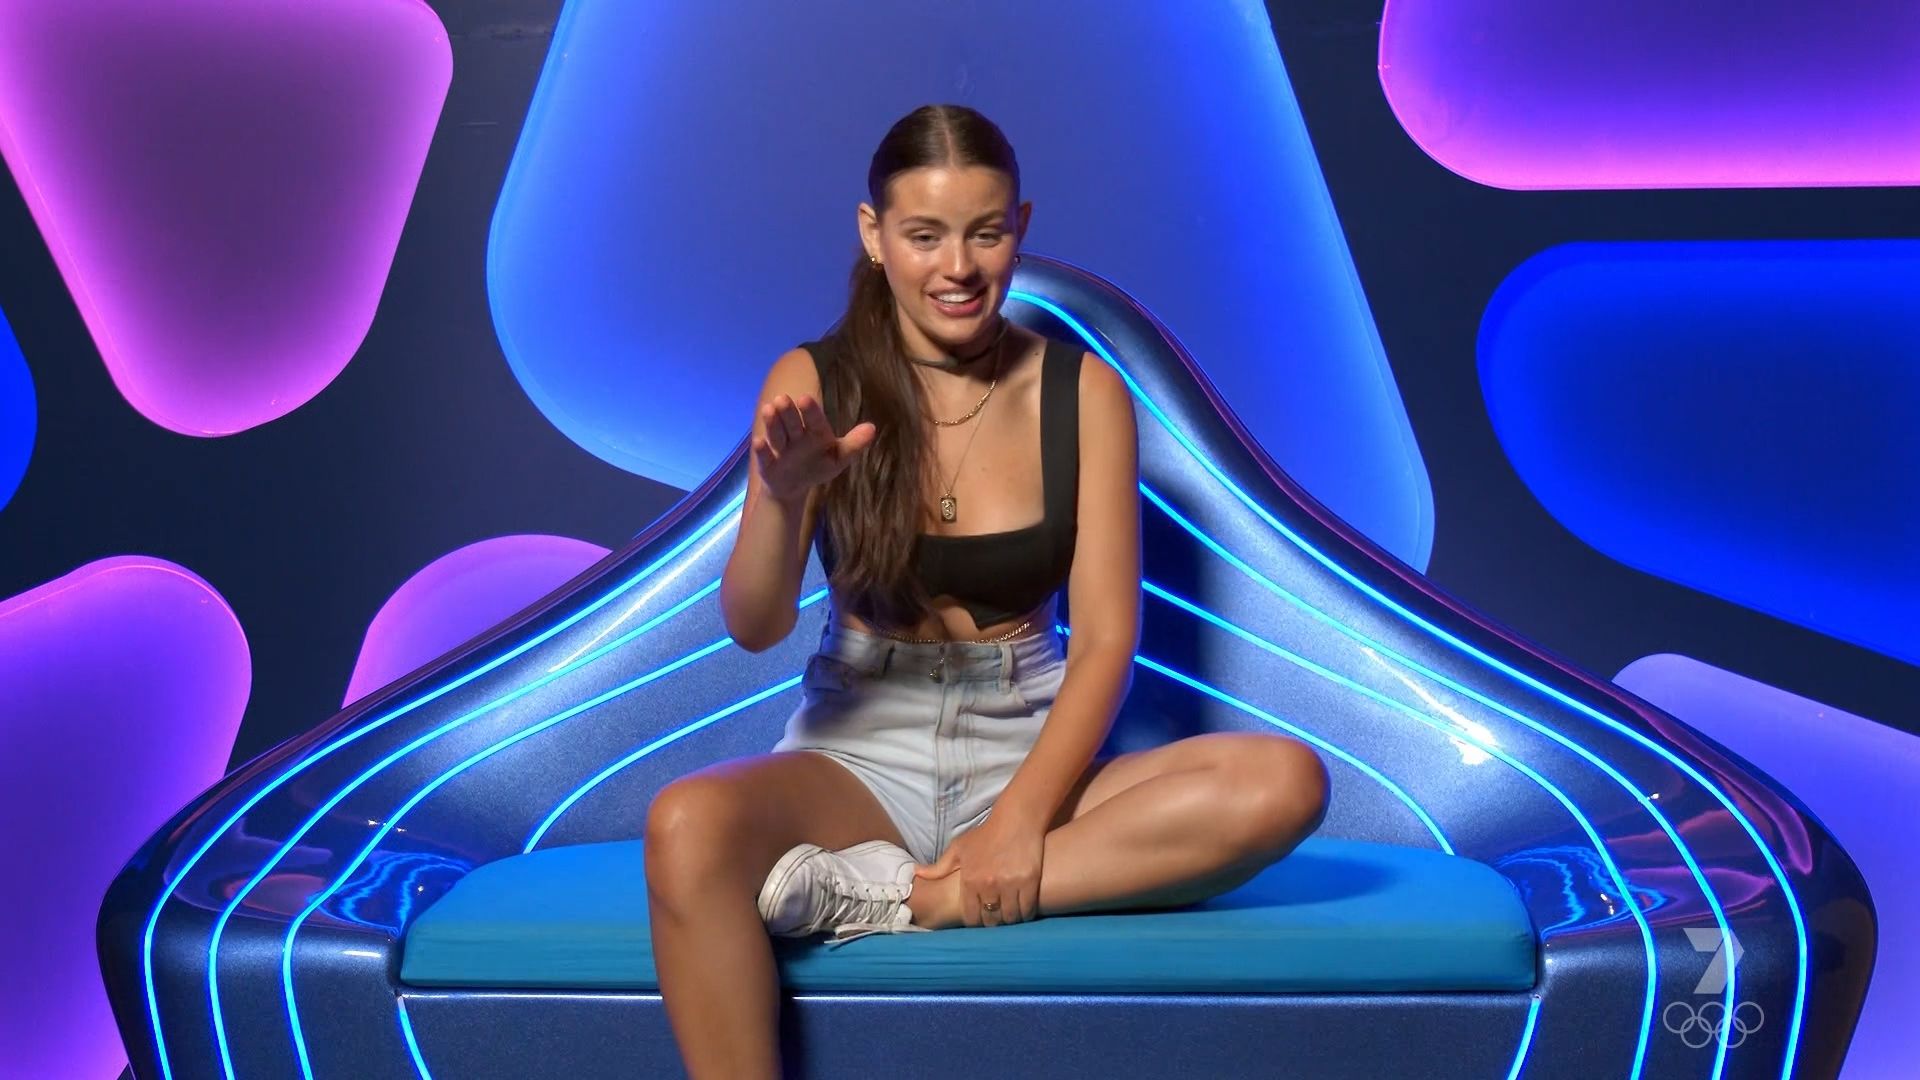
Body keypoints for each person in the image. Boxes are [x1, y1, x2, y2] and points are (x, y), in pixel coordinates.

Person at [643, 103, 1331, 1079]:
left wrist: (1016, 826)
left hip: (1028, 740)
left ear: (1021, 227)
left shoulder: (1084, 391)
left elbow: (1106, 640)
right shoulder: (812, 378)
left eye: (986, 232)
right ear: (874, 234)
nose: (958, 267)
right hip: (858, 750)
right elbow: (753, 627)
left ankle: (908, 900)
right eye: (924, 235)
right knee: (684, 825)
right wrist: (781, 499)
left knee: (1284, 783)